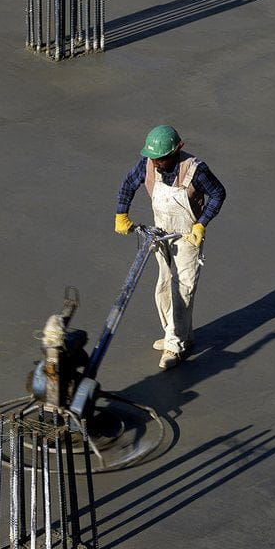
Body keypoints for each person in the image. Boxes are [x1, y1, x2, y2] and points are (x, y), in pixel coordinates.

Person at [114, 125, 227, 369]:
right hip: (160, 234)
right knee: (163, 287)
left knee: (182, 290)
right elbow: (127, 185)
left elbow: (218, 193)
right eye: (153, 158)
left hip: (188, 236)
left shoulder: (195, 169)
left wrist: (201, 225)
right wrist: (121, 214)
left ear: (177, 150)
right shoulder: (147, 164)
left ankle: (174, 345)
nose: (155, 163)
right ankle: (177, 334)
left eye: (161, 158)